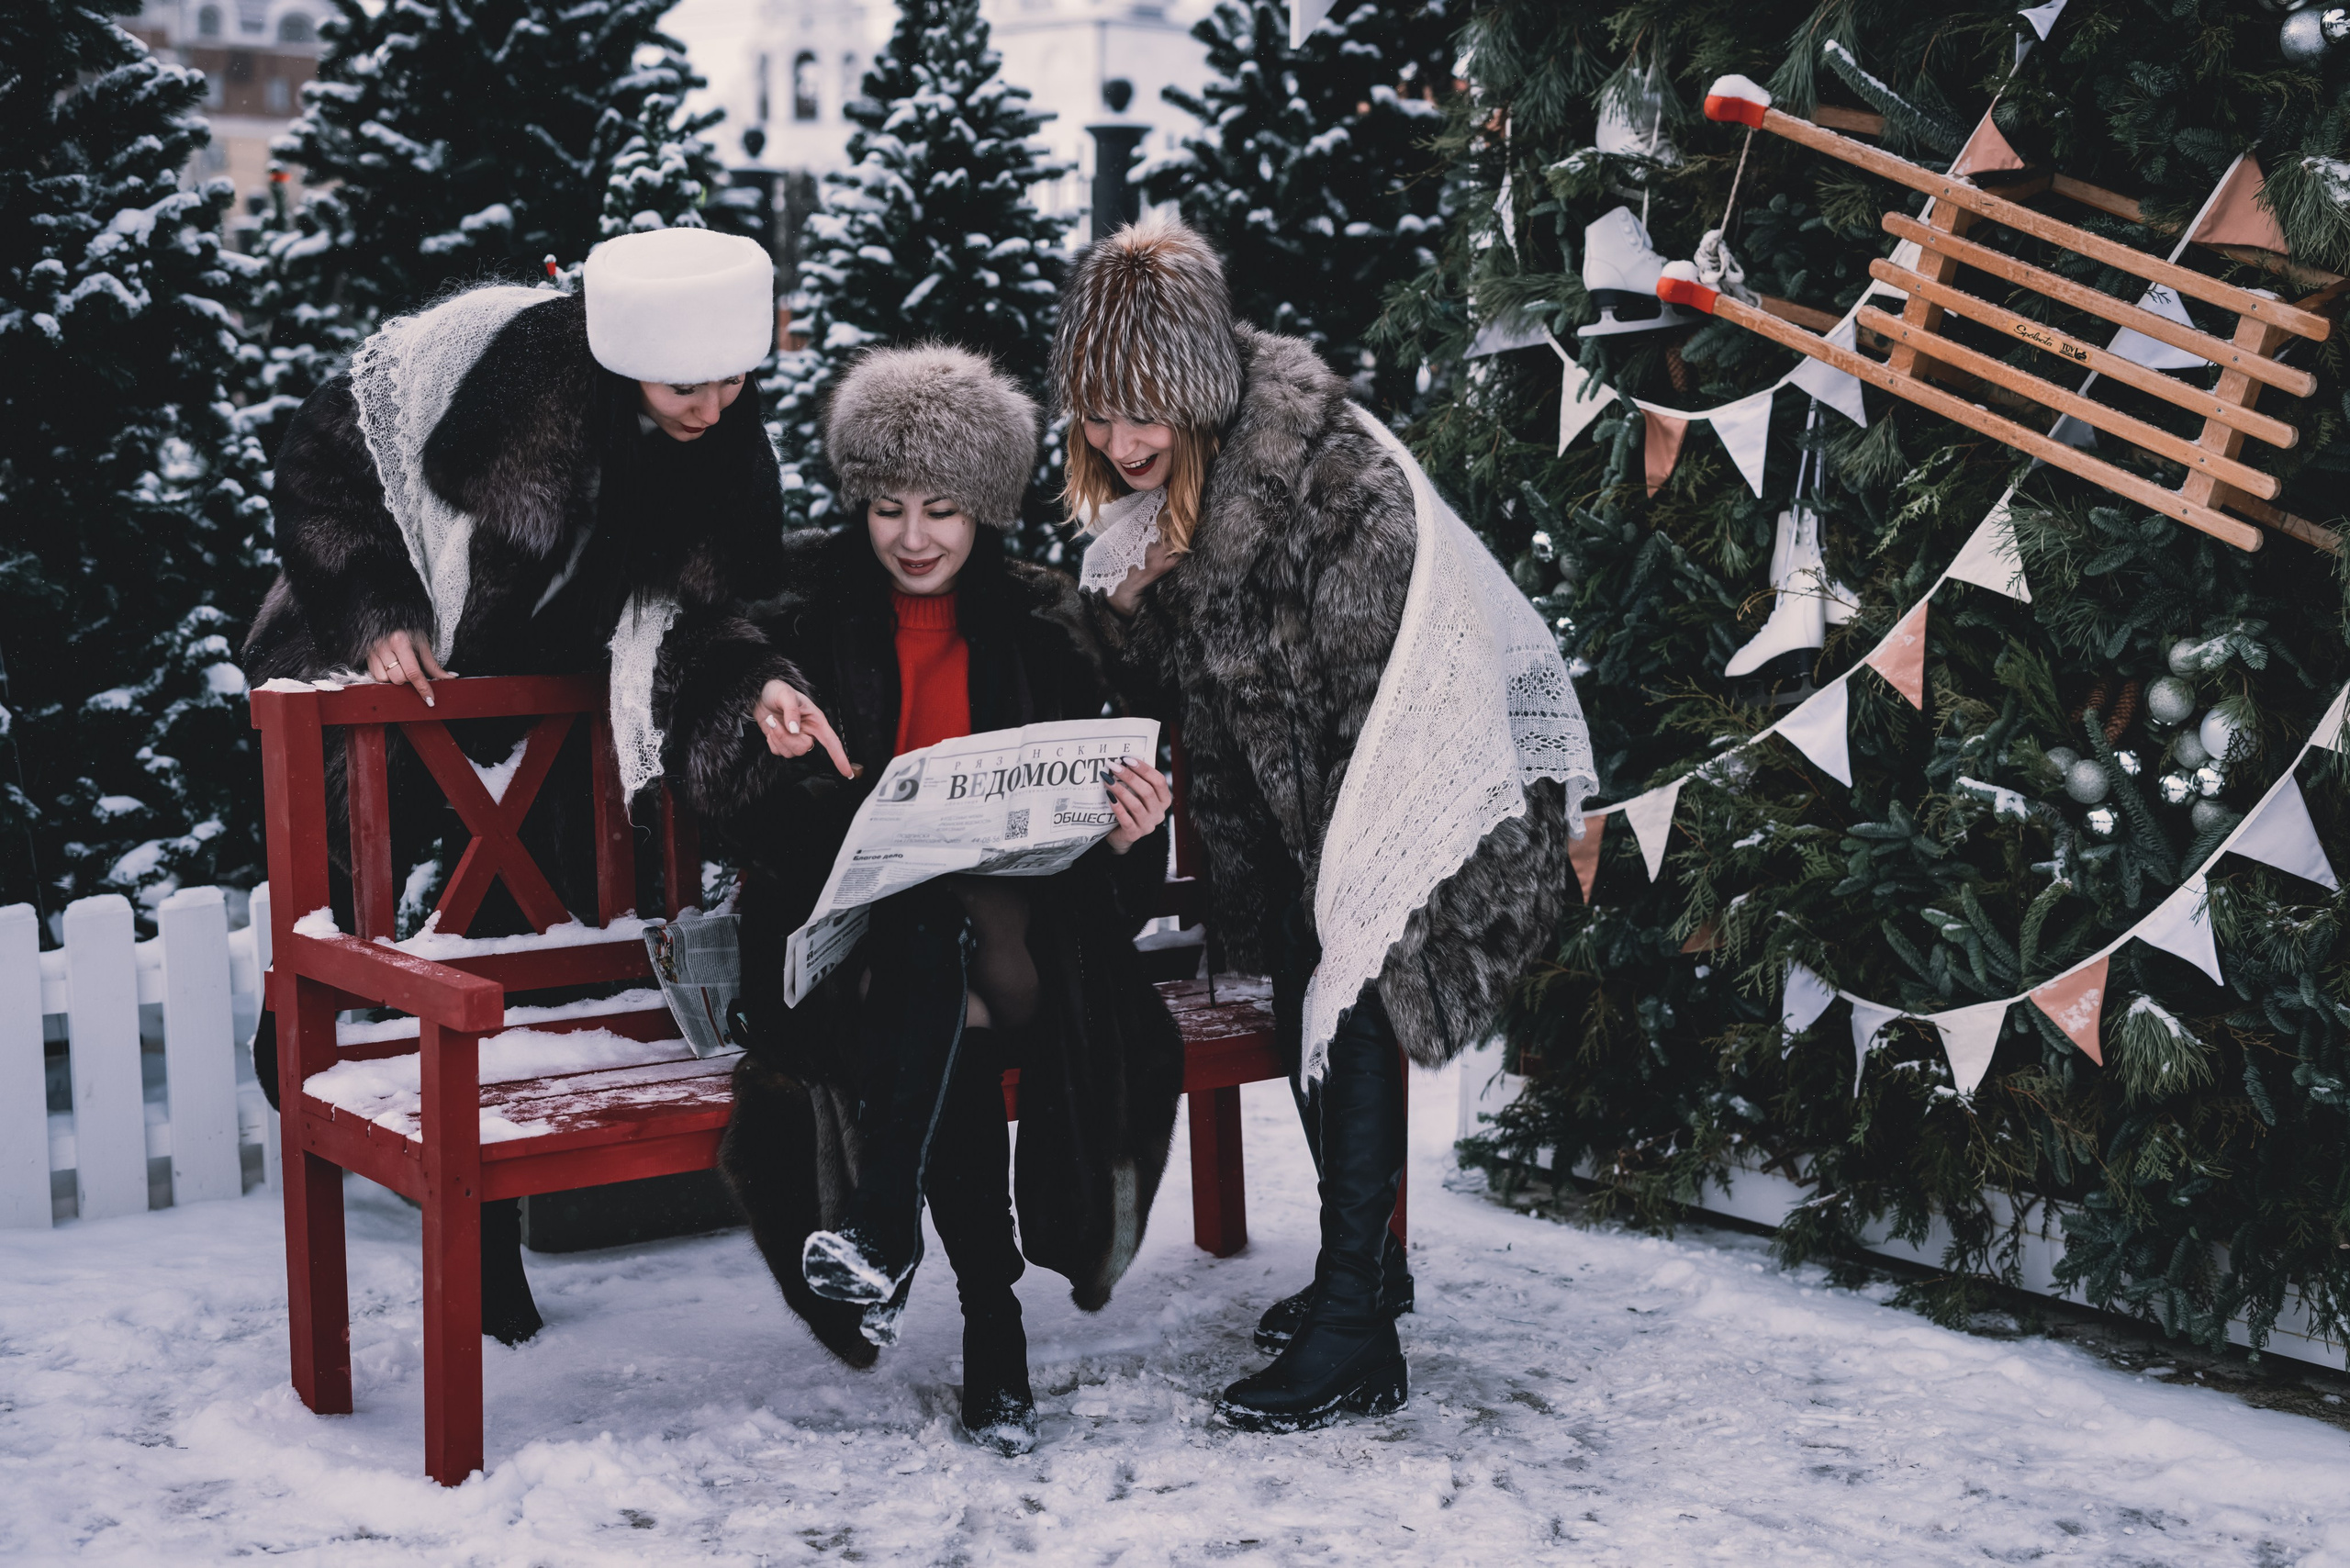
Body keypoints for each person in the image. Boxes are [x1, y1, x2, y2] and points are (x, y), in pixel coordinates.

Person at [243, 228, 851, 1346]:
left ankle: (488, 1252)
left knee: (532, 936)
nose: (714, 406)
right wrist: (377, 609)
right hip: (395, 664)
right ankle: (313, 1040)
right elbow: (324, 472)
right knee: (359, 915)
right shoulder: (488, 362)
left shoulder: (719, 424)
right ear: (621, 356)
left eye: (734, 379)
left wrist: (762, 680)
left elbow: (707, 610)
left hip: (560, 700)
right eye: (685, 386)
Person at [1058, 214, 1596, 1433]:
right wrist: (1136, 607)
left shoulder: (1334, 481)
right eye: (1099, 413)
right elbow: (1174, 698)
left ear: (1201, 391)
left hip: (1431, 792)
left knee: (1344, 977)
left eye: (1146, 412)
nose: (1122, 440)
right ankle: (1369, 1282)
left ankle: (1356, 1329)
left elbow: (1387, 685)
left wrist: (1352, 864)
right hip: (1305, 812)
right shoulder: (1154, 513)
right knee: (1310, 976)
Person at [718, 343, 1186, 1455]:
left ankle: (884, 1228)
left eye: (941, 509)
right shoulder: (798, 611)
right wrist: (793, 755)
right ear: (858, 503)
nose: (913, 537)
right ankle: (993, 1320)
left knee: (953, 936)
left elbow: (1095, 846)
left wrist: (1132, 826)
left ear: (982, 509)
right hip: (862, 952)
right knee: (932, 939)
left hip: (1025, 942)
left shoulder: (1042, 622)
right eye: (886, 507)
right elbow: (740, 787)